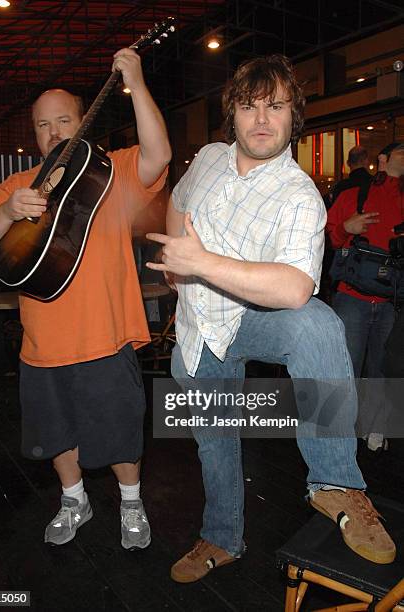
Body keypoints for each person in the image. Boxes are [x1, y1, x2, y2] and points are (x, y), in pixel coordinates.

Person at [146, 54, 396, 583]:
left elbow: (294, 288)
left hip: (251, 315)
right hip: (198, 328)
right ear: (232, 115)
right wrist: (176, 260)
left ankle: (333, 482)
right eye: (249, 106)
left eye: (275, 107)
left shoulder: (300, 196)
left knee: (318, 324)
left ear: (293, 117)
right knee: (215, 445)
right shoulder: (211, 157)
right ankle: (221, 539)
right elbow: (178, 198)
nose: (261, 119)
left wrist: (201, 263)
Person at [0, 48, 171, 549]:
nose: (54, 132)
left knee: (121, 432)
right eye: (43, 125)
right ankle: (73, 499)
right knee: (55, 434)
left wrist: (138, 85)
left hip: (106, 338)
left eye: (64, 120)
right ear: (34, 135)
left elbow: (159, 155)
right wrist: (10, 210)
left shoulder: (112, 172)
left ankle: (131, 503)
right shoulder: (17, 184)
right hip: (42, 344)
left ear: (84, 123)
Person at [326, 142, 404, 451]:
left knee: (382, 368)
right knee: (347, 367)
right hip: (352, 296)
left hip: (391, 299)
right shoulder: (355, 194)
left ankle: (375, 429)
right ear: (382, 159)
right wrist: (347, 227)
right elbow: (329, 237)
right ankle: (341, 433)